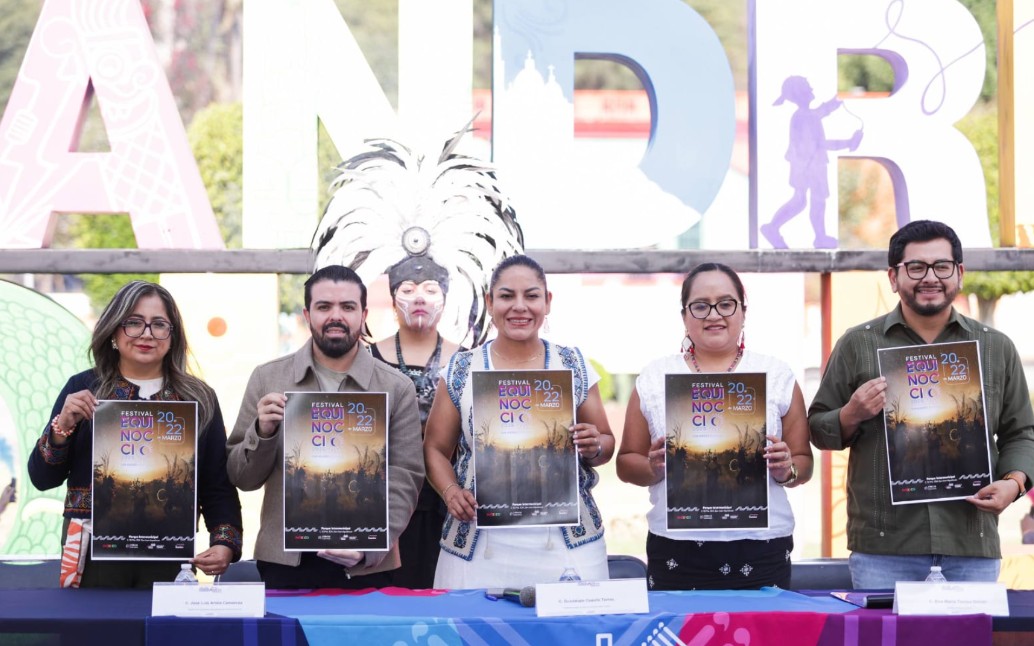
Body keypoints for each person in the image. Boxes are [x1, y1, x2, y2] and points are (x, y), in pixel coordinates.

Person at [809, 220, 1034, 587]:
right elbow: (818, 428)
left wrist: (1014, 483)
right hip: (884, 551)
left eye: (941, 266)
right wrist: (851, 414)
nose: (930, 277)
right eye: (916, 267)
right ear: (893, 277)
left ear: (959, 274)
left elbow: (1022, 432)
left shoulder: (995, 347)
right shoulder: (858, 344)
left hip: (971, 544)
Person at [27, 281, 243, 588]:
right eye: (134, 322)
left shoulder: (197, 398)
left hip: (170, 552)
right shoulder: (83, 389)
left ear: (173, 335)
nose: (147, 334)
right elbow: (42, 478)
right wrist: (62, 427)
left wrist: (225, 542)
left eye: (159, 324)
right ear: (114, 331)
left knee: (165, 621)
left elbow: (216, 482)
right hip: (92, 553)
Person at [616, 263, 813, 590]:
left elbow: (803, 463)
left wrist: (786, 469)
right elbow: (626, 462)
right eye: (700, 306)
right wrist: (653, 467)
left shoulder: (776, 375)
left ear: (743, 311)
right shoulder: (655, 377)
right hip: (677, 547)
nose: (713, 314)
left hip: (761, 547)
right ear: (684, 315)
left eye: (725, 304)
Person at [226, 265, 424, 589]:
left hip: (366, 564)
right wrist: (263, 432)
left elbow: (406, 477)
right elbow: (242, 478)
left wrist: (370, 546)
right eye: (324, 306)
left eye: (347, 307)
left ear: (363, 315)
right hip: (286, 563)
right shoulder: (268, 378)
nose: (336, 316)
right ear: (307, 314)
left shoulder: (396, 387)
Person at [424, 255, 615, 589]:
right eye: (507, 296)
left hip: (567, 544)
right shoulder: (461, 369)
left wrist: (594, 444)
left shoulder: (572, 363)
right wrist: (450, 491)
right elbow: (435, 448)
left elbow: (606, 444)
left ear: (547, 302)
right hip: (479, 545)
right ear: (490, 302)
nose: (519, 306)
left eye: (531, 295)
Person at [369, 257, 461, 588]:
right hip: (383, 499)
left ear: (445, 300)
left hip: (449, 501)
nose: (419, 298)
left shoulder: (466, 362)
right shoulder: (366, 360)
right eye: (408, 290)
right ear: (393, 300)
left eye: (431, 290)